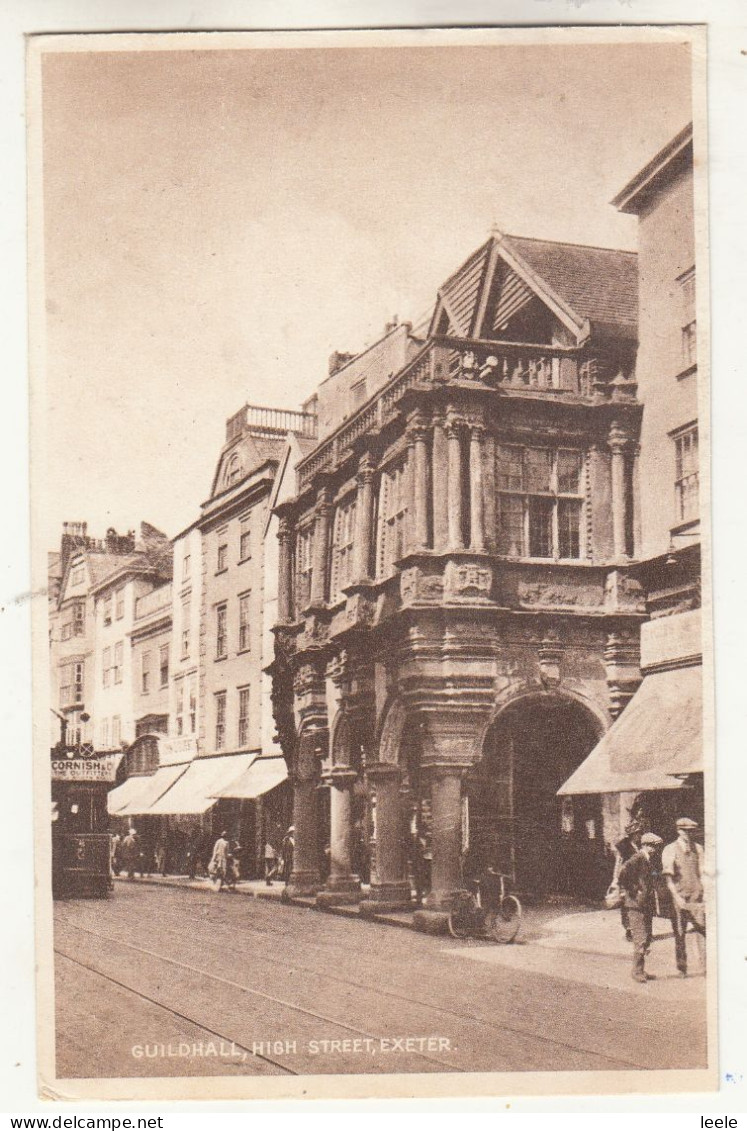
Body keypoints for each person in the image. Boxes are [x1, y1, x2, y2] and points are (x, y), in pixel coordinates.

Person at [662, 817, 706, 977]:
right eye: (686, 831)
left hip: (697, 897)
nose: (689, 834)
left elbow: (702, 872)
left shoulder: (698, 849)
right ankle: (682, 967)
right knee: (680, 933)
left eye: (691, 831)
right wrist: (677, 897)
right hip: (679, 898)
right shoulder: (670, 850)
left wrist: (705, 893)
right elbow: (668, 878)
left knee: (702, 930)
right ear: (679, 831)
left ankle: (704, 967)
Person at [618, 832, 663, 983]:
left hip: (645, 905)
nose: (655, 850)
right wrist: (633, 891)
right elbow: (622, 873)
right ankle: (636, 972)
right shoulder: (638, 858)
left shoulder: (647, 859)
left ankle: (641, 970)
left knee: (647, 937)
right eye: (653, 847)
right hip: (636, 906)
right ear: (646, 845)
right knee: (640, 938)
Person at [612, 816, 647, 941]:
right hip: (626, 879)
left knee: (636, 903)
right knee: (626, 904)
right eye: (637, 833)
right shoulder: (624, 847)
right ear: (632, 834)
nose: (639, 836)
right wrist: (616, 880)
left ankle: (637, 929)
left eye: (639, 833)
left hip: (636, 878)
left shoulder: (638, 846)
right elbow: (619, 863)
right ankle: (628, 929)